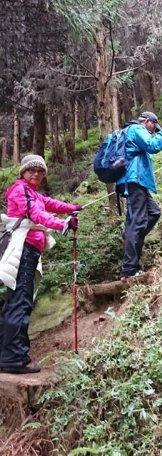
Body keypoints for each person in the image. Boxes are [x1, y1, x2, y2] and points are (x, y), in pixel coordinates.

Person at [0, 155, 81, 374]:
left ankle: (7, 355)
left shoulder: (32, 192)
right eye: (31, 170)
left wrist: (72, 207)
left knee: (16, 302)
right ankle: (15, 359)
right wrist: (61, 224)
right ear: (23, 172)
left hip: (29, 251)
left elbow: (50, 204)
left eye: (40, 171)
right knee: (20, 303)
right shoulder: (20, 190)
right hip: (23, 251)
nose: (35, 174)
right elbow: (36, 213)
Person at [116, 112, 162, 279]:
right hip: (134, 180)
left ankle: (129, 236)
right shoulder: (136, 128)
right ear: (147, 121)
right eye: (153, 127)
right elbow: (152, 145)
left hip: (136, 181)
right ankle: (129, 269)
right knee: (138, 222)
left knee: (154, 212)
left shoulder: (131, 132)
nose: (153, 130)